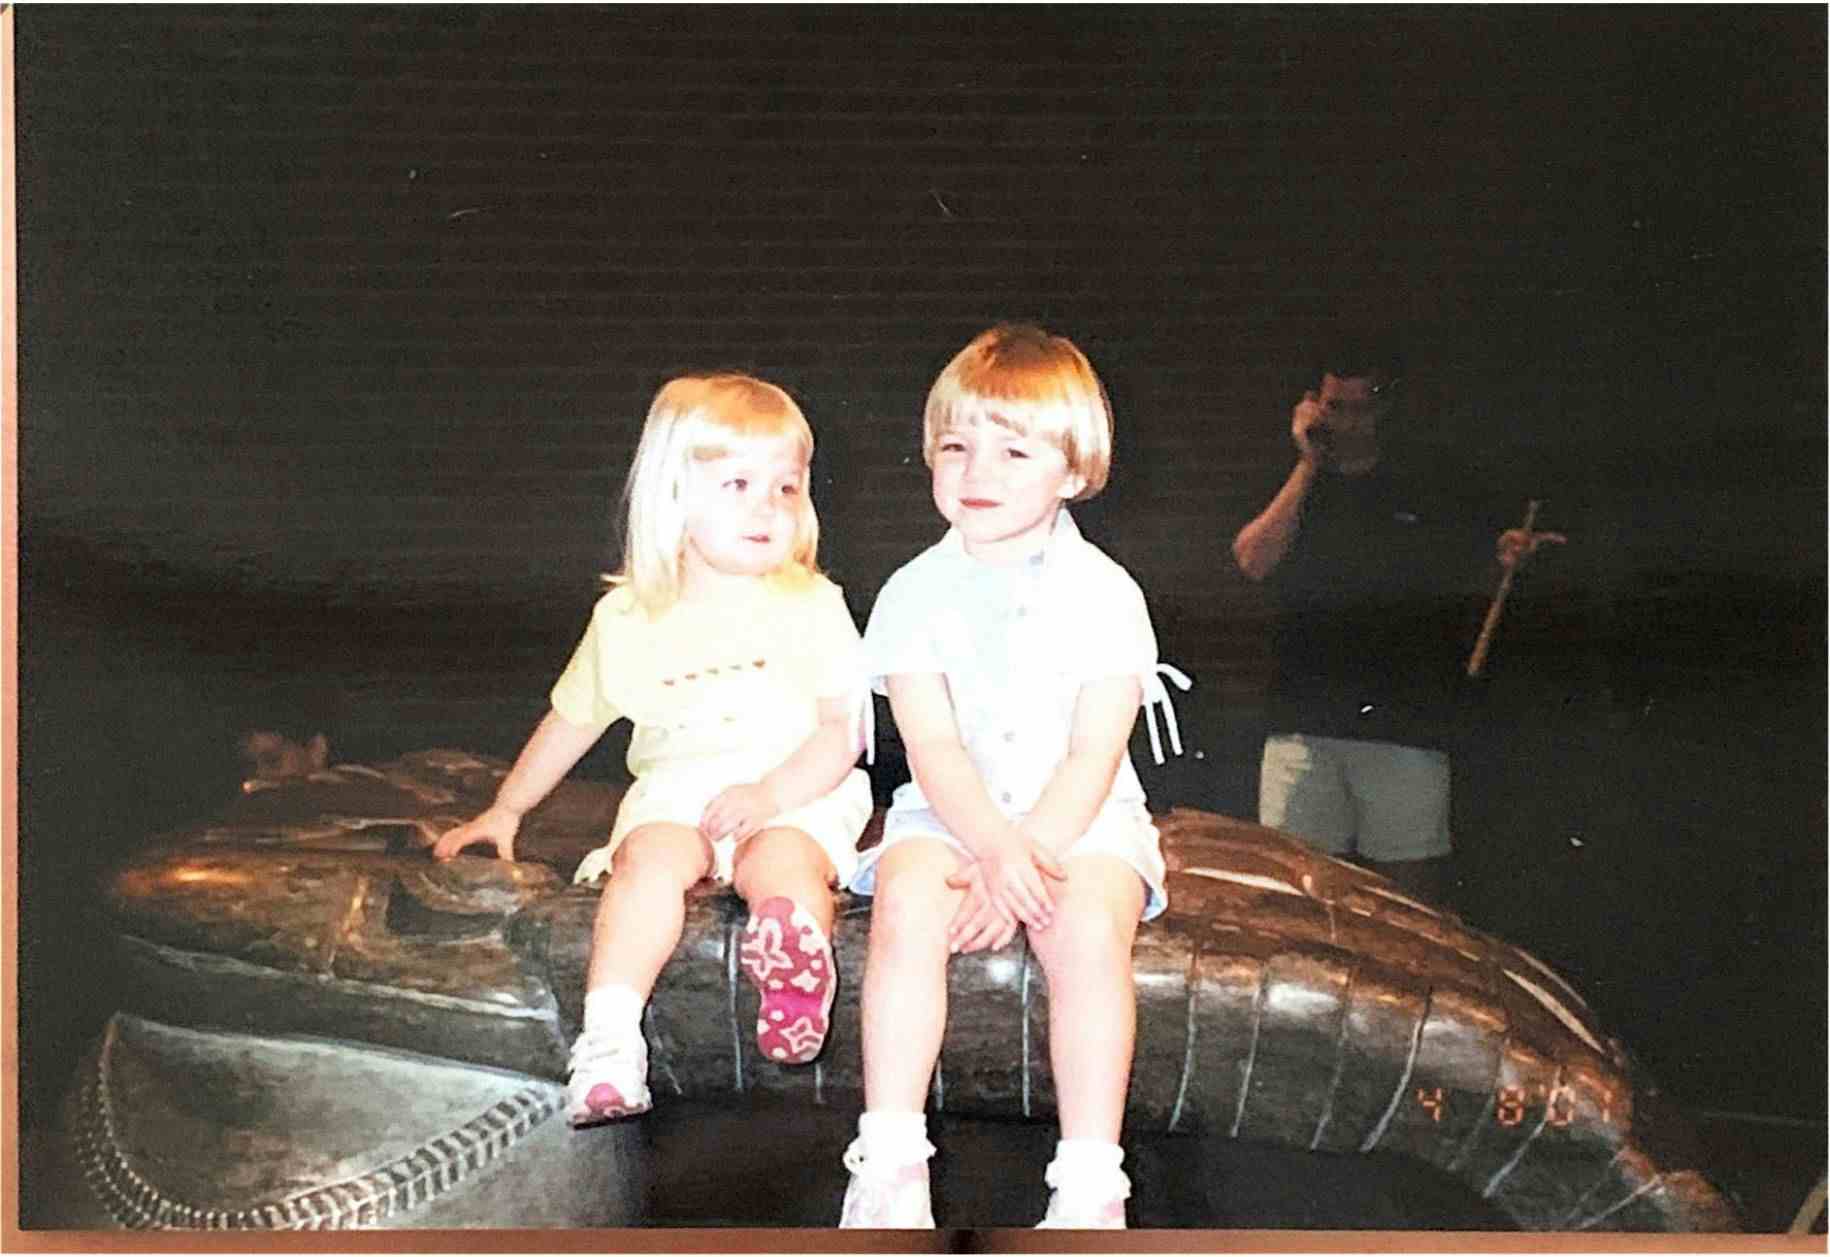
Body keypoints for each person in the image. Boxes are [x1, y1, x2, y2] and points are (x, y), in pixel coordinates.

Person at [433, 373, 872, 1127]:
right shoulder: (628, 616)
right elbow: (570, 720)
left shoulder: (811, 603)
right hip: (678, 790)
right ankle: (608, 1041)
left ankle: (795, 971)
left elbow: (842, 732)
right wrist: (505, 808)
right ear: (673, 495)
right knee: (647, 862)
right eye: (739, 483)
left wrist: (768, 795)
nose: (769, 506)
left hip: (794, 784)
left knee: (782, 862)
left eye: (788, 486)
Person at [837, 324, 1188, 1230]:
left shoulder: (1108, 593)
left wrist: (1027, 856)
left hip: (1081, 818)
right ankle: (890, 1158)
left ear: (1072, 470)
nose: (975, 469)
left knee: (1083, 929)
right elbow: (934, 751)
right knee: (907, 905)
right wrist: (992, 850)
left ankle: (1088, 1179)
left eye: (1012, 448)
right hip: (951, 814)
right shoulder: (913, 589)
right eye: (955, 445)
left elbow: (1092, 755)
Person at [1231, 340, 1563, 905]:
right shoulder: (1295, 477)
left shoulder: (1430, 481)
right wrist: (1309, 462)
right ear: (1312, 405)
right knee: (1295, 897)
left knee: (1409, 900)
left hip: (1406, 722)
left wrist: (1503, 557)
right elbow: (1252, 560)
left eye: (1361, 408)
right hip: (1303, 723)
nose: (1348, 422)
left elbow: (1471, 573)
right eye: (1335, 407)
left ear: (1385, 408)